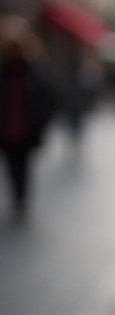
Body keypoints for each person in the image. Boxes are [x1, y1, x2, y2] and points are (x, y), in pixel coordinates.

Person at [0, 15, 55, 220]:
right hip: (7, 126)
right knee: (10, 165)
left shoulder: (33, 70)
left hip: (26, 126)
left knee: (24, 164)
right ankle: (17, 197)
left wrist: (41, 122)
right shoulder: (4, 71)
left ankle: (22, 200)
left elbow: (46, 97)